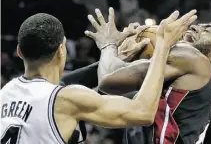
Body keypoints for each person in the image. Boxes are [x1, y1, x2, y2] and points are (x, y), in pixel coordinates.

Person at [0, 8, 197, 144]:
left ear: (19, 51)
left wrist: (112, 54)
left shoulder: (7, 92)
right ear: (62, 50)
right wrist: (163, 44)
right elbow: (143, 112)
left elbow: (53, 87)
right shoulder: (67, 99)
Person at [85, 9, 211, 143]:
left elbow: (108, 80)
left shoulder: (195, 58)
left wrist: (109, 45)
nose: (196, 26)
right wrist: (121, 56)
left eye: (207, 29)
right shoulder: (193, 85)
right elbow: (109, 89)